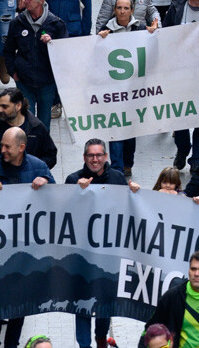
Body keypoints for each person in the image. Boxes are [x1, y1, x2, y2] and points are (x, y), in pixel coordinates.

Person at [0, 126, 55, 348]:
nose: (3, 150)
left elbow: (57, 199)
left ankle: (12, 344)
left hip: (25, 253)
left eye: (7, 146)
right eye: (1, 145)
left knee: (21, 302)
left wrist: (46, 184)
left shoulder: (39, 167)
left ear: (22, 147)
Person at [67, 139, 139, 347]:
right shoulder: (73, 179)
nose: (95, 159)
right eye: (91, 156)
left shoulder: (117, 178)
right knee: (81, 301)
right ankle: (84, 344)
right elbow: (64, 211)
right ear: (84, 158)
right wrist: (76, 192)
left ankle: (100, 338)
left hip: (108, 254)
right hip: (81, 254)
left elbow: (127, 208)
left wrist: (135, 193)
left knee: (104, 300)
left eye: (99, 155)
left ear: (106, 157)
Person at [0, 0, 70, 133]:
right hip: (24, 82)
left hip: (47, 83)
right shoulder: (17, 23)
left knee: (43, 124)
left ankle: (41, 154)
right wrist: (14, 73)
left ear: (41, 1)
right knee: (24, 121)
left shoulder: (56, 24)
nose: (26, 1)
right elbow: (9, 51)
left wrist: (52, 43)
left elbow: (65, 54)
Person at [0, 87, 59, 181]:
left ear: (18, 106)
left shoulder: (37, 129)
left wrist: (36, 172)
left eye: (4, 107)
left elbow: (50, 155)